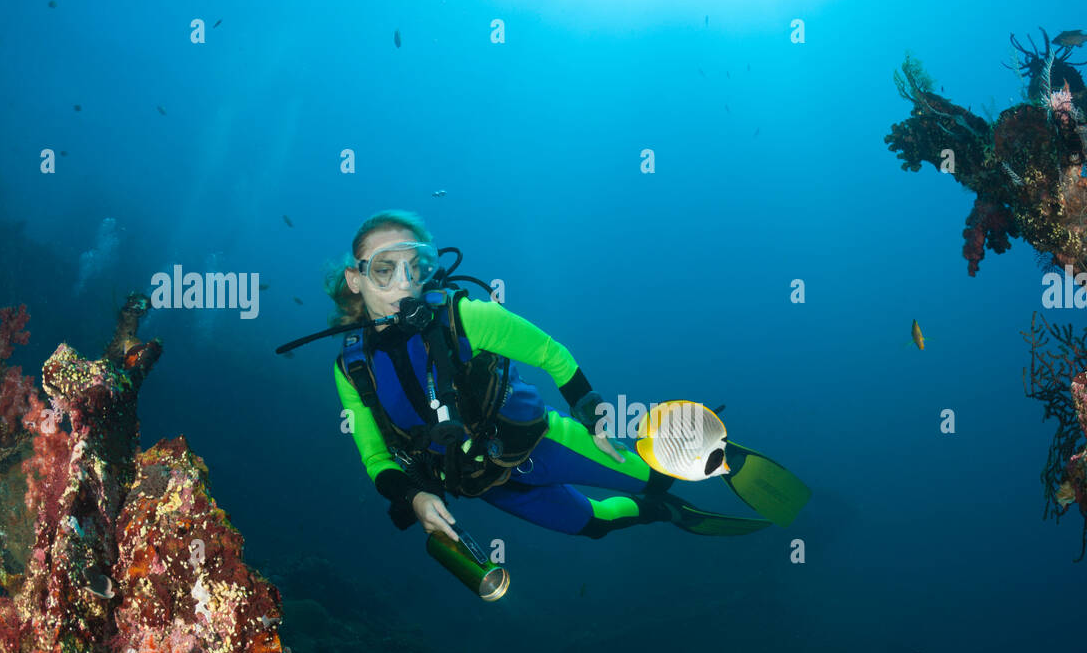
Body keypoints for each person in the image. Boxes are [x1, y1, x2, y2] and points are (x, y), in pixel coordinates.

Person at [322, 209, 799, 542]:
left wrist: (592, 414)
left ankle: (720, 456)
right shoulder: (352, 366)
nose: (405, 283)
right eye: (385, 270)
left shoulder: (463, 316)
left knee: (657, 477)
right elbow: (375, 454)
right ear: (355, 278)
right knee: (592, 526)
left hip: (542, 442)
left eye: (416, 266)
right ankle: (667, 515)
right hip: (488, 485)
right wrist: (416, 498)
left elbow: (551, 354)